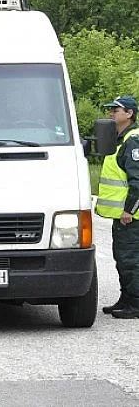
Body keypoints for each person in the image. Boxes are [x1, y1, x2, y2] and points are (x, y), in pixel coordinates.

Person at [96, 95, 139, 319]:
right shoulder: (120, 140)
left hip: (131, 216)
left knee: (131, 261)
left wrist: (129, 210)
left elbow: (137, 181)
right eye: (110, 110)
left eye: (116, 110)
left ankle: (136, 304)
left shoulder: (133, 141)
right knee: (122, 258)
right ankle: (126, 299)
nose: (111, 113)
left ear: (129, 114)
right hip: (122, 216)